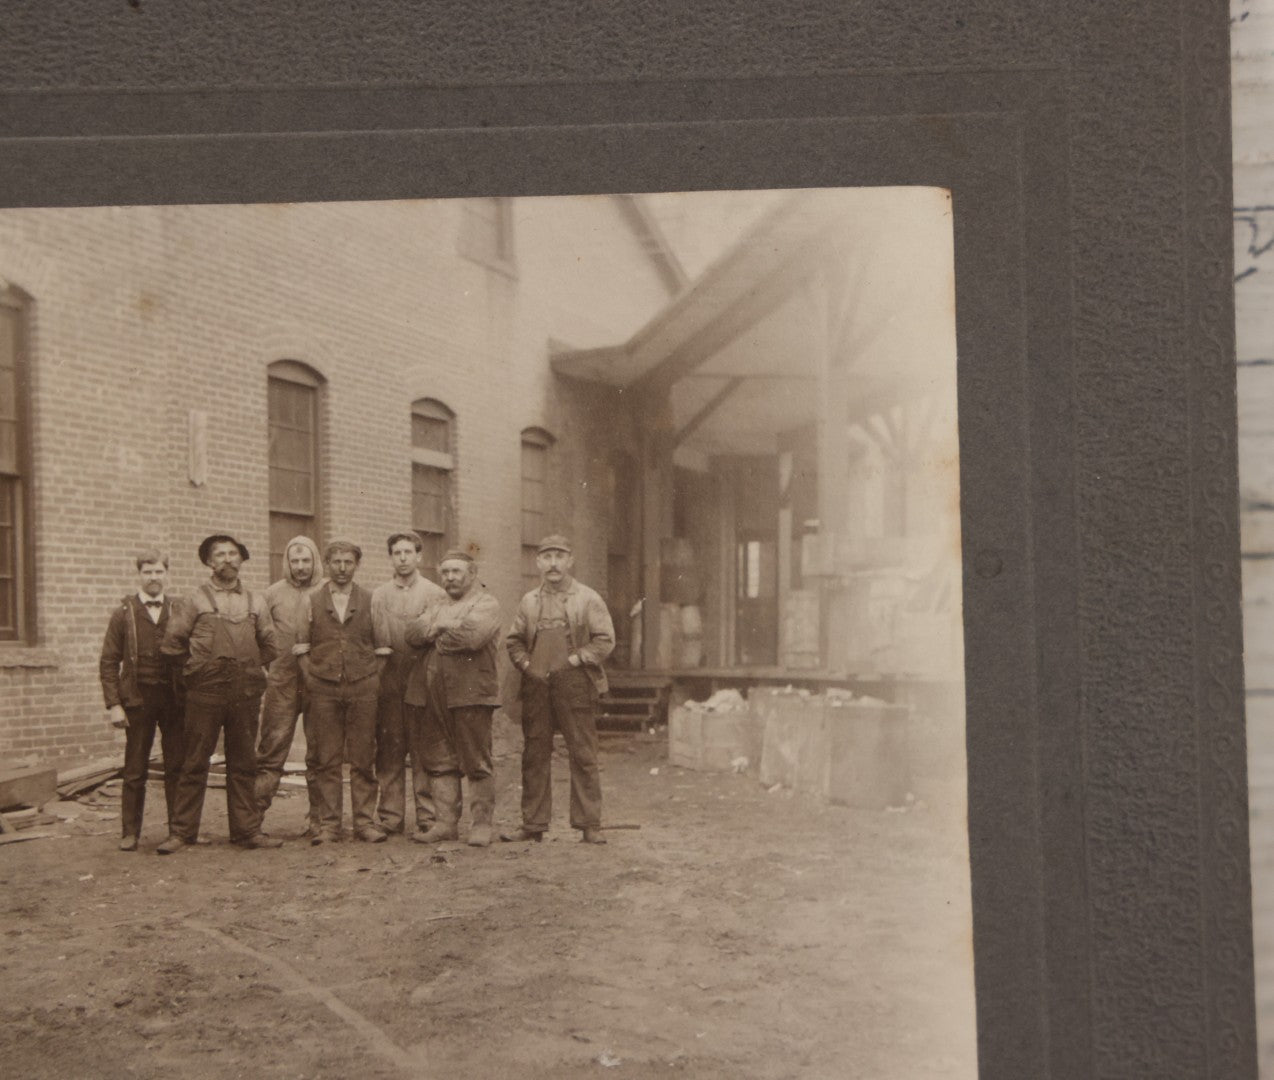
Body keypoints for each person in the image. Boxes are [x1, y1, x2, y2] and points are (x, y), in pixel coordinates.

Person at [158, 534, 283, 853]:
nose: (227, 559)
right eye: (220, 554)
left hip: (244, 693)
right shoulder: (194, 600)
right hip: (205, 692)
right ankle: (182, 832)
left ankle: (246, 831)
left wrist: (247, 667)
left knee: (244, 763)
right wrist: (197, 670)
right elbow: (172, 645)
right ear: (208, 562)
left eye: (233, 554)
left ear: (241, 560)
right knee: (194, 762)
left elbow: (270, 645)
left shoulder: (256, 601)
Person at [503, 534, 616, 844]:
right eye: (547, 557)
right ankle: (533, 824)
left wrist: (576, 659)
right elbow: (514, 641)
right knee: (535, 753)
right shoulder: (529, 601)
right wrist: (527, 665)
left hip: (575, 682)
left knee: (582, 752)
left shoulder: (587, 598)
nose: (553, 563)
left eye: (559, 556)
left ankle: (589, 824)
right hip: (537, 684)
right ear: (538, 562)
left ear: (570, 561)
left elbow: (605, 640)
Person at [403, 549, 503, 846]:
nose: (450, 578)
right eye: (445, 573)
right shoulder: (437, 603)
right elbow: (412, 633)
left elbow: (471, 637)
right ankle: (446, 824)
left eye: (456, 572)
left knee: (476, 761)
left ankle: (481, 825)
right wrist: (440, 626)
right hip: (434, 694)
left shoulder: (486, 603)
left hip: (472, 693)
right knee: (439, 760)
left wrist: (436, 630)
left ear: (471, 574)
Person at [293, 540, 388, 843]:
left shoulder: (371, 600)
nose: (342, 568)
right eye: (336, 562)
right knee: (327, 758)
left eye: (348, 562)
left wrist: (369, 680)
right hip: (324, 690)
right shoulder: (311, 600)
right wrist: (313, 681)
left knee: (363, 757)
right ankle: (330, 825)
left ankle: (364, 823)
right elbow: (301, 648)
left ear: (356, 565)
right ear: (327, 564)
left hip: (363, 688)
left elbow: (383, 649)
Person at [98, 548, 185, 852]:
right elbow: (109, 662)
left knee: (177, 765)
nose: (153, 577)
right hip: (138, 699)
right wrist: (114, 704)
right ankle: (130, 833)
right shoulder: (123, 614)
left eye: (159, 571)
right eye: (147, 572)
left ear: (166, 574)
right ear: (139, 575)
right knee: (135, 768)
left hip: (174, 699)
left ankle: (179, 830)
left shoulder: (179, 610)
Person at [369, 531, 447, 839]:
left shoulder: (434, 593)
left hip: (422, 678)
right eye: (397, 553)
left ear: (419, 556)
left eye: (408, 552)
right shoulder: (379, 596)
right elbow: (377, 639)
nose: (402, 558)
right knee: (389, 749)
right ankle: (390, 816)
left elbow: (435, 636)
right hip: (389, 679)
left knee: (422, 749)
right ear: (391, 557)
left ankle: (427, 816)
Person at [254, 534, 325, 832]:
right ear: (287, 562)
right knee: (272, 748)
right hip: (282, 680)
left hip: (318, 682)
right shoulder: (271, 594)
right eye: (294, 561)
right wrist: (265, 669)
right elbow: (257, 635)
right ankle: (252, 821)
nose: (300, 566)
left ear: (315, 561)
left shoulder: (327, 591)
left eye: (306, 560)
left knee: (320, 751)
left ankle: (320, 822)